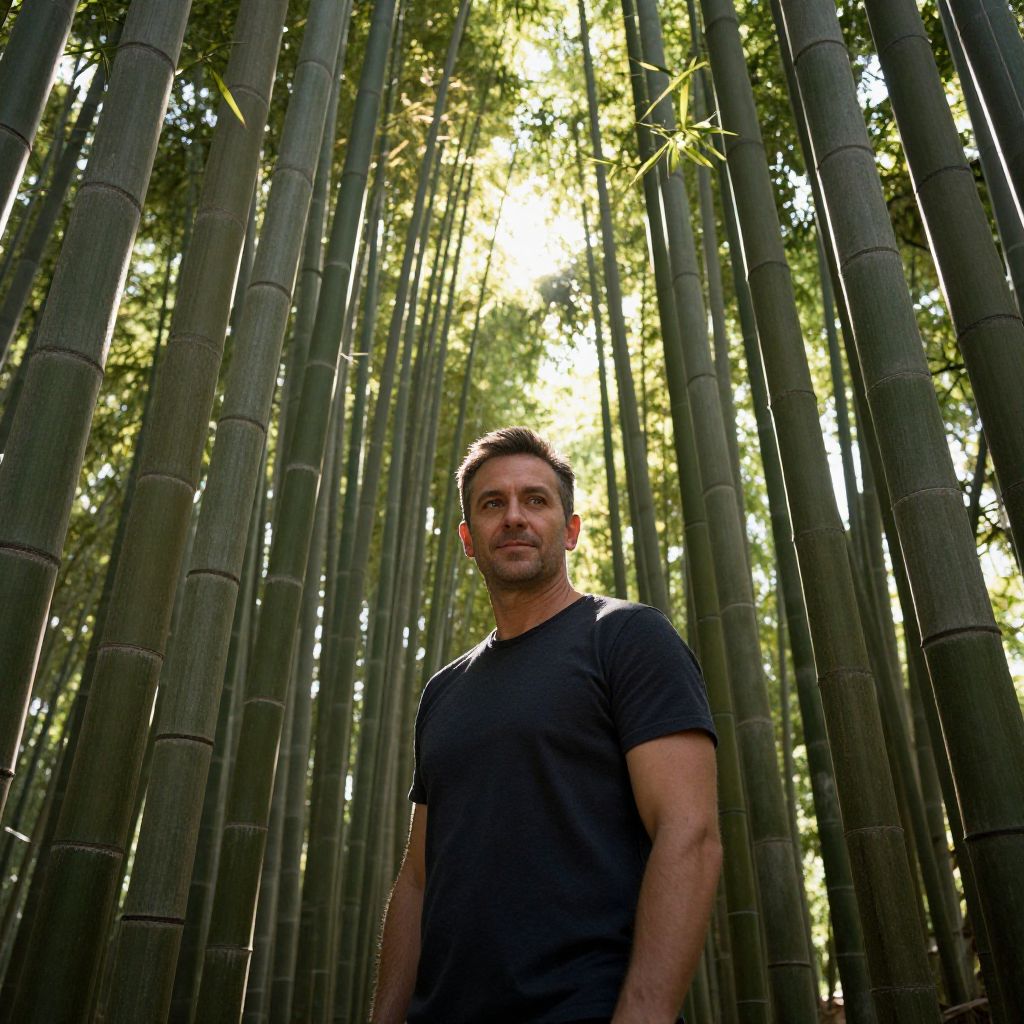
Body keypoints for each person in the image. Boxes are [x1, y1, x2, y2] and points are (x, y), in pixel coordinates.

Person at [371, 427, 720, 1024]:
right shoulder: (443, 691)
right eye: (491, 503)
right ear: (467, 539)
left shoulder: (626, 637)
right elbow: (417, 879)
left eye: (536, 500)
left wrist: (644, 1014)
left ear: (571, 528)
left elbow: (689, 832)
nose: (513, 517)